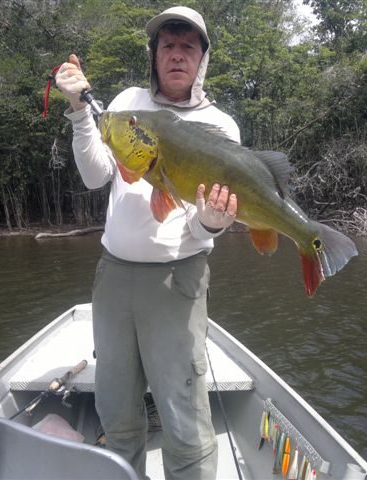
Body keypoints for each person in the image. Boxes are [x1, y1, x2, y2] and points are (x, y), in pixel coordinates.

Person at [55, 6, 240, 479]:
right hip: (113, 279)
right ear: (155, 55)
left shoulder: (220, 127)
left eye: (188, 47)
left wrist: (213, 224)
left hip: (177, 282)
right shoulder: (127, 102)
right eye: (168, 46)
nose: (177, 55)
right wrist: (79, 111)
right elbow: (97, 175)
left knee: (183, 416)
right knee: (116, 410)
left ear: (202, 59)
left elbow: (202, 229)